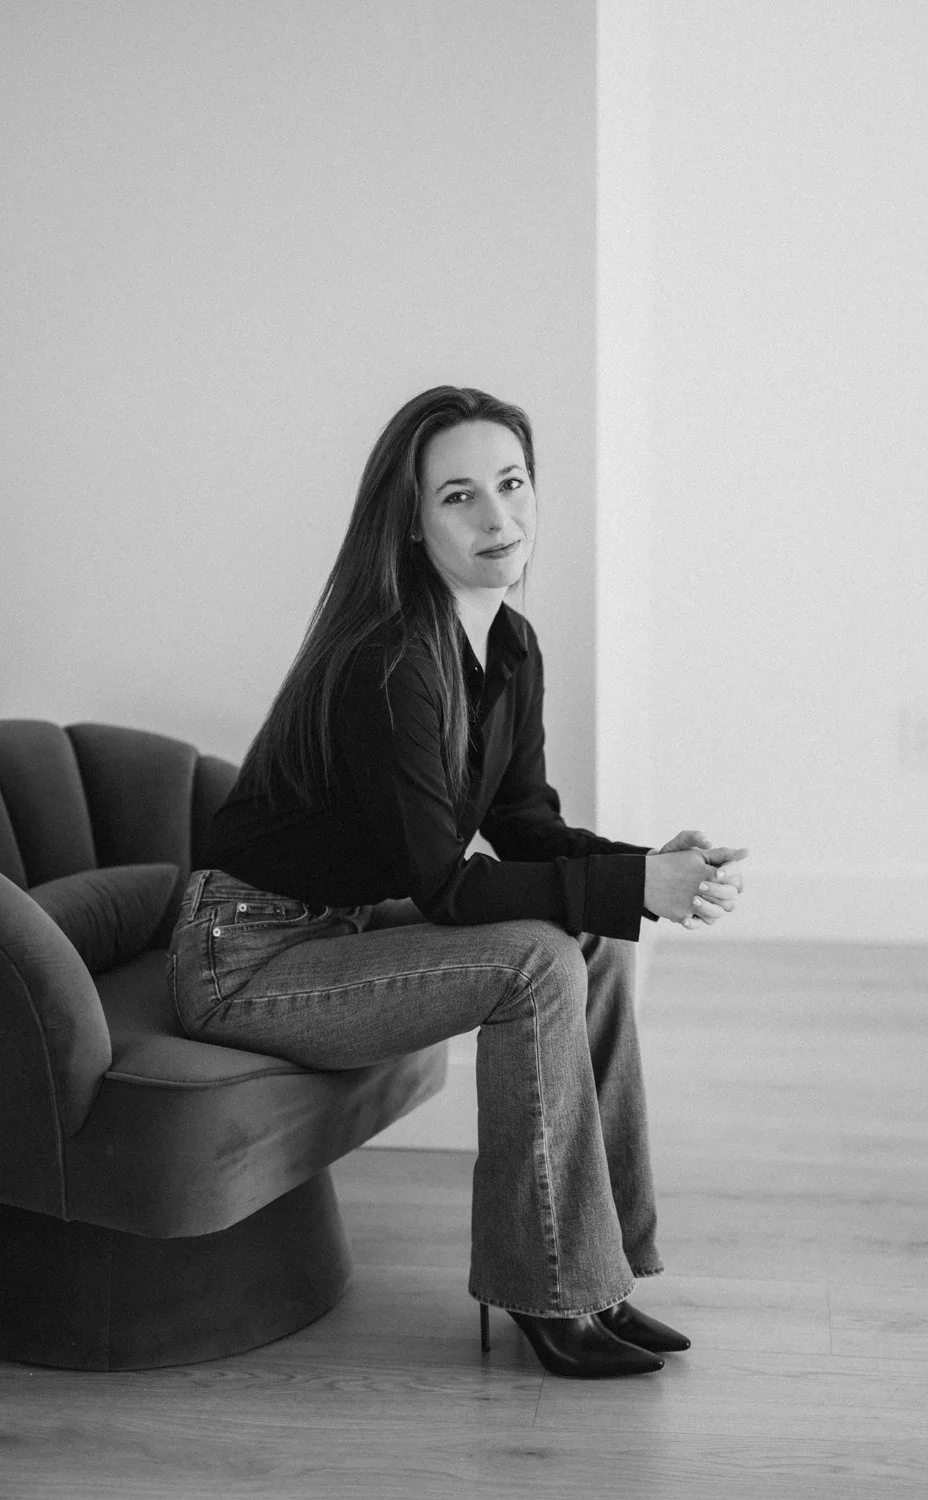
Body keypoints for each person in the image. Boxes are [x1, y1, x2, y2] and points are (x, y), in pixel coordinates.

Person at [169, 386, 747, 1380]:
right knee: (535, 957)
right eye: (459, 497)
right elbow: (444, 888)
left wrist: (646, 868)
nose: (498, 519)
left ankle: (601, 1278)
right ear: (409, 521)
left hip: (340, 932)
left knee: (595, 938)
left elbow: (521, 828)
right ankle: (545, 1289)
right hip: (247, 959)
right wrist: (628, 882)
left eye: (512, 485)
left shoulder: (506, 644)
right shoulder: (391, 664)